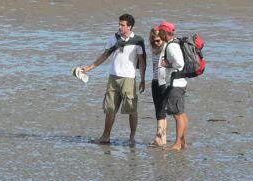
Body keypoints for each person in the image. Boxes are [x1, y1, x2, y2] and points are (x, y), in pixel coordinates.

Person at [78, 13, 146, 146]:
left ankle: (132, 137)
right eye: (119, 24)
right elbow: (105, 55)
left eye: (122, 25)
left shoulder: (138, 40)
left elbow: (142, 61)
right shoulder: (113, 38)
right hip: (113, 78)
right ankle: (105, 136)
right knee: (110, 109)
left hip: (129, 79)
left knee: (132, 109)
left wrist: (143, 79)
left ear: (130, 26)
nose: (120, 27)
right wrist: (90, 68)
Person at [155, 22, 189, 151]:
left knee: (177, 115)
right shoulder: (175, 43)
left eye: (160, 32)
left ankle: (177, 144)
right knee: (182, 114)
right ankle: (183, 142)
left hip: (175, 84)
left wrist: (167, 64)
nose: (158, 34)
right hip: (181, 82)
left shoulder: (171, 46)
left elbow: (179, 64)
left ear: (165, 32)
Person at [147, 25, 170, 147]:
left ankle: (159, 137)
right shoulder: (153, 49)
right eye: (153, 41)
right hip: (155, 81)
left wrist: (167, 64)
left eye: (158, 40)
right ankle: (163, 138)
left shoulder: (167, 48)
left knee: (161, 111)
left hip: (164, 82)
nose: (156, 43)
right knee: (159, 110)